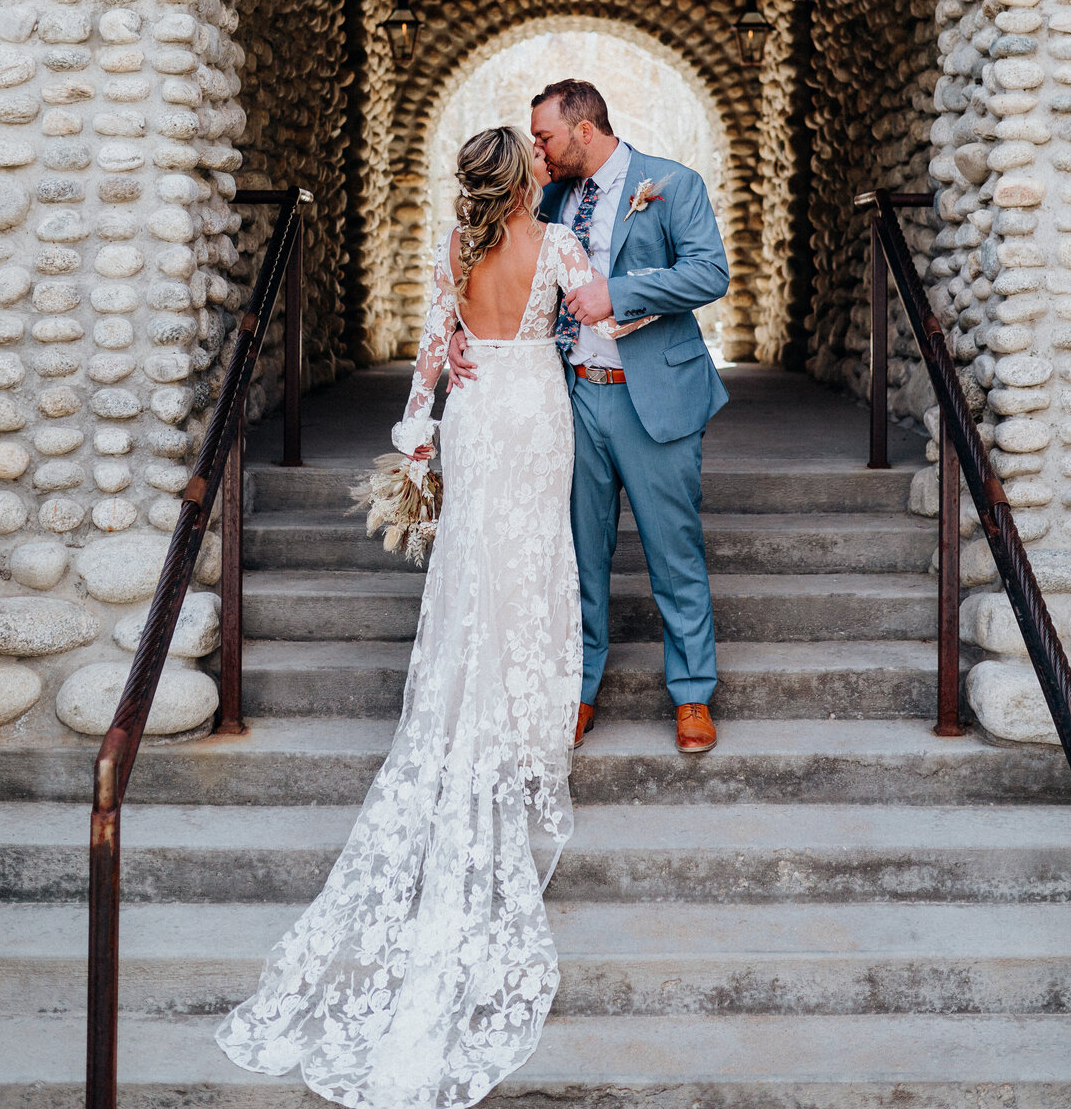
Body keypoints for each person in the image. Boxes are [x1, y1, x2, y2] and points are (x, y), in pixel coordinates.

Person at [217, 126, 643, 1109]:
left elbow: (431, 355)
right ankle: (530, 721)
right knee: (538, 565)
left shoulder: (456, 249)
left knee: (474, 566)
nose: (547, 167)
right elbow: (596, 332)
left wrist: (417, 441)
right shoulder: (563, 248)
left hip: (475, 415)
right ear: (526, 178)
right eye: (536, 163)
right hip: (535, 410)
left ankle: (471, 701)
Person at [449, 79, 729, 757]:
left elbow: (709, 273)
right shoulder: (548, 198)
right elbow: (492, 264)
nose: (536, 148)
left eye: (543, 135)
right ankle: (578, 689)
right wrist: (460, 332)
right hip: (571, 397)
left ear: (582, 128)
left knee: (674, 550)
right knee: (578, 553)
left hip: (653, 393)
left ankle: (692, 693)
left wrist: (619, 292)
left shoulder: (672, 183)